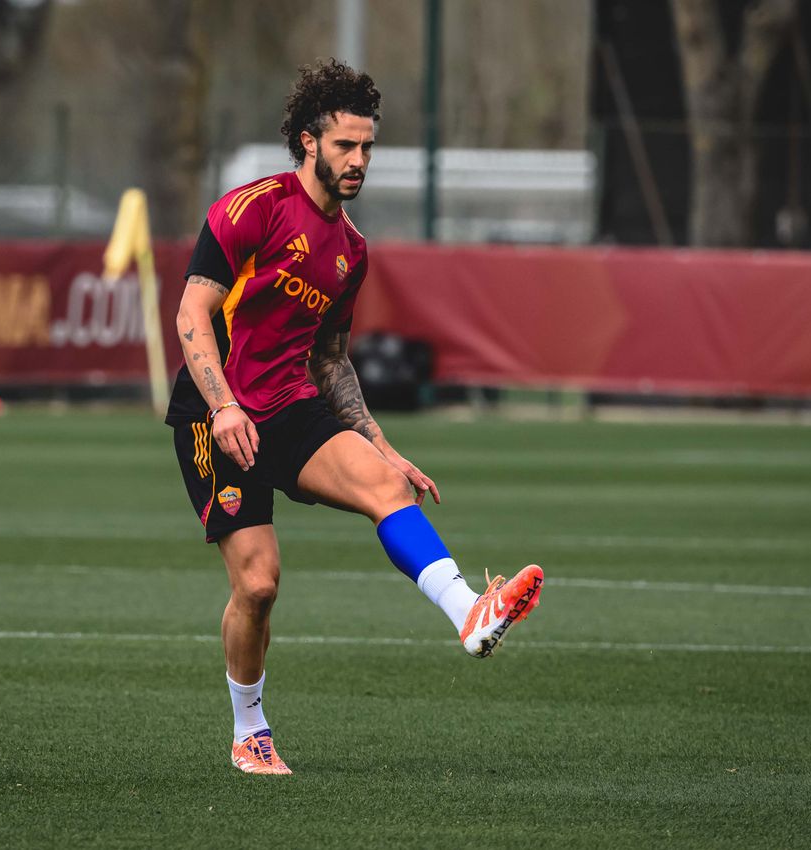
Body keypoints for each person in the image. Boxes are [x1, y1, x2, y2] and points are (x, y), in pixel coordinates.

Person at [165, 59, 543, 776]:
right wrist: (221, 405)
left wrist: (382, 445)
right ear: (309, 142)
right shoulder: (254, 209)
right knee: (259, 583)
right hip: (213, 412)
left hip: (290, 407)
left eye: (368, 147)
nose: (359, 160)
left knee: (386, 488)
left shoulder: (351, 252)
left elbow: (332, 361)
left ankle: (469, 613)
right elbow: (192, 312)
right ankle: (251, 733)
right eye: (346, 145)